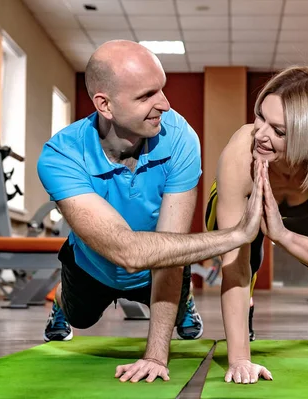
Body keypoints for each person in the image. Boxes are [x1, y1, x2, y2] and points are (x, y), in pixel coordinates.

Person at [37, 40, 266, 383]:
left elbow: (169, 248)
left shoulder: (180, 138)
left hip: (160, 265)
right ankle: (61, 301)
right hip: (93, 267)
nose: (164, 103)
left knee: (172, 270)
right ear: (105, 105)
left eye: (162, 89)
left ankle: (182, 300)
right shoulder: (60, 156)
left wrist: (156, 357)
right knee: (79, 317)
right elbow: (126, 251)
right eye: (146, 96)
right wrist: (235, 235)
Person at [206, 65, 308, 384]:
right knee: (243, 259)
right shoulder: (242, 152)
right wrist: (239, 359)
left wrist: (282, 235)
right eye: (260, 117)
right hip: (246, 198)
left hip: (305, 206)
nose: (261, 134)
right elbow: (233, 266)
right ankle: (246, 306)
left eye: (278, 131)